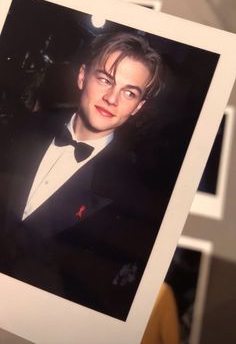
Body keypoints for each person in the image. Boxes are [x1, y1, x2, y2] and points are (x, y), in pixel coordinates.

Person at [0, 31, 165, 320]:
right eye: (105, 79)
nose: (112, 98)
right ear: (82, 77)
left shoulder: (133, 198)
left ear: (138, 107)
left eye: (129, 92)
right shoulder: (19, 127)